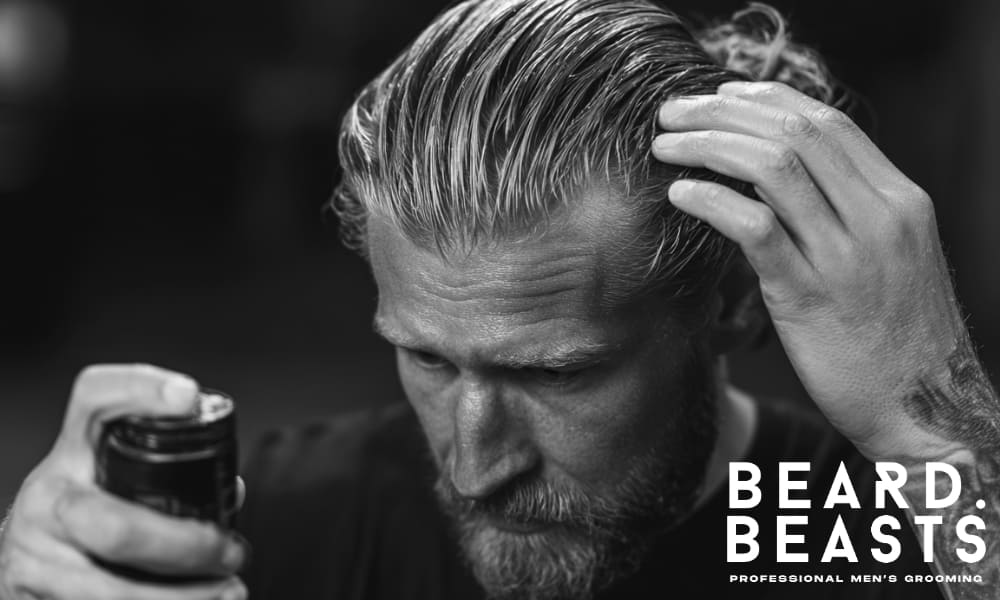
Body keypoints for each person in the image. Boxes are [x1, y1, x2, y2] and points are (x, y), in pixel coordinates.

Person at [0, 1, 997, 599]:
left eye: (554, 372)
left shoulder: (870, 532)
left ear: (732, 302)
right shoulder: (285, 520)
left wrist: (934, 425)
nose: (475, 466)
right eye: (429, 358)